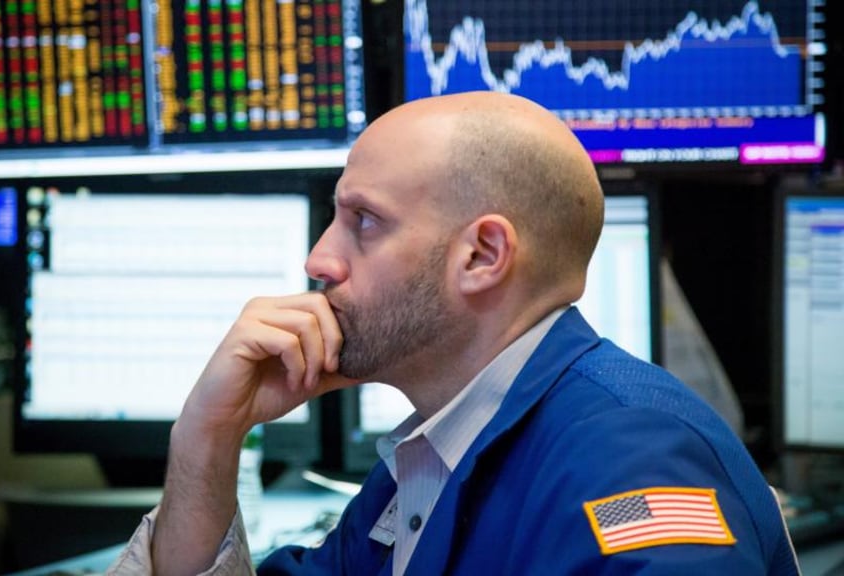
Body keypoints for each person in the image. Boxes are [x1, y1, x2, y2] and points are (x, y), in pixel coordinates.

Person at [107, 91, 798, 575]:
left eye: (364, 221)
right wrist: (207, 435)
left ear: (482, 257)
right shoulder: (432, 453)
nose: (320, 258)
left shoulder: (631, 457)